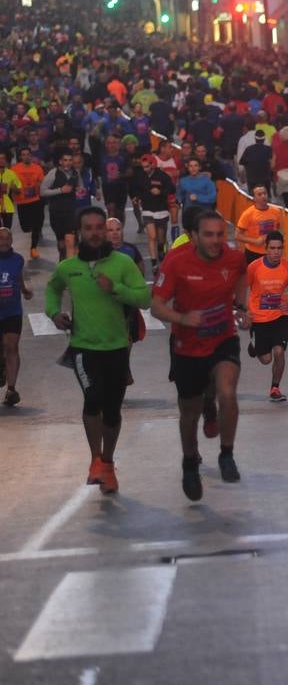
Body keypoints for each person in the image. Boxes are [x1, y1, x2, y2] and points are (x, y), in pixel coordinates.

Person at [45, 206, 149, 494]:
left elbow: (144, 298)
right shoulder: (68, 267)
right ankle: (95, 460)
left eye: (98, 227)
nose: (94, 233)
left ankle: (108, 462)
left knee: (113, 411)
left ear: (106, 230)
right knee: (92, 399)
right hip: (82, 347)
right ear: (80, 232)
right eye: (88, 228)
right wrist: (55, 313)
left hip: (116, 347)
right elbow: (52, 289)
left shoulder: (123, 263)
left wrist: (114, 288)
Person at [150, 210, 250, 502]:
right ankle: (190, 462)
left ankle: (227, 454)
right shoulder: (177, 261)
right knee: (189, 413)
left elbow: (242, 274)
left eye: (221, 234)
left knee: (227, 393)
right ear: (194, 236)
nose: (216, 240)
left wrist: (241, 307)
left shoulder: (233, 258)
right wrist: (181, 318)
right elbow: (156, 306)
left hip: (223, 338)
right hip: (187, 346)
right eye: (209, 234)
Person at [245, 230, 288, 403]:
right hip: (259, 318)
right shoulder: (254, 267)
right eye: (273, 248)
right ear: (266, 249)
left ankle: (275, 388)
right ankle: (255, 346)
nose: (276, 252)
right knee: (266, 359)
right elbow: (242, 287)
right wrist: (243, 310)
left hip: (280, 316)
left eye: (279, 248)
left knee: (279, 351)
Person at [0, 228, 33, 408]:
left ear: (12, 240)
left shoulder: (18, 260)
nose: (4, 242)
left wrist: (25, 291)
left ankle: (11, 389)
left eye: (7, 238)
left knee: (11, 346)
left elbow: (19, 279)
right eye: (1, 239)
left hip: (13, 311)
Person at [131, 152, 174, 266]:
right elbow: (137, 190)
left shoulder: (163, 176)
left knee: (161, 238)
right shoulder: (140, 176)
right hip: (147, 209)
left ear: (153, 165)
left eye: (147, 167)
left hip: (161, 209)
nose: (145, 169)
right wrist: (137, 198)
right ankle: (154, 262)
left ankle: (161, 250)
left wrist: (161, 192)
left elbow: (171, 189)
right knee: (152, 236)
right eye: (143, 167)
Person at [41, 151, 80, 259]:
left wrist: (79, 189)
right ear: (60, 161)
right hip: (56, 213)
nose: (68, 163)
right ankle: (62, 265)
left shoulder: (75, 172)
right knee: (62, 244)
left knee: (71, 240)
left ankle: (72, 264)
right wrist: (60, 190)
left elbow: (79, 186)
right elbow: (43, 191)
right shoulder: (53, 173)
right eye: (65, 160)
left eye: (70, 160)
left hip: (71, 212)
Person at [235, 184, 285, 266]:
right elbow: (237, 236)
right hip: (253, 253)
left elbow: (279, 230)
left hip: (271, 253)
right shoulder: (248, 214)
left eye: (265, 193)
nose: (263, 196)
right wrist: (255, 241)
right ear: (254, 198)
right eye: (259, 194)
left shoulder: (276, 211)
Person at [12, 146, 46, 259]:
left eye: (28, 154)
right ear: (20, 157)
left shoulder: (37, 168)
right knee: (25, 228)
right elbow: (11, 183)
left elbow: (43, 182)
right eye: (24, 154)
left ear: (31, 156)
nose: (26, 156)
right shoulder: (15, 169)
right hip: (22, 202)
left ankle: (33, 248)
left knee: (37, 224)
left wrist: (40, 186)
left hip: (36, 200)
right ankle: (35, 231)